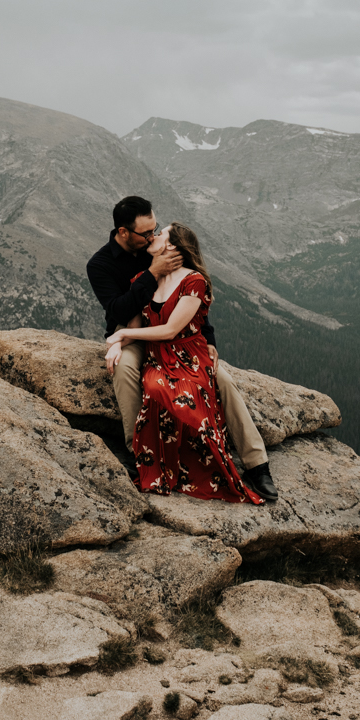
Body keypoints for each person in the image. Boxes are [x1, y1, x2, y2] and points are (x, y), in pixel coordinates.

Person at [86, 196, 278, 500]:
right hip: (134, 331)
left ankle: (256, 464)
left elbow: (191, 299)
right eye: (145, 234)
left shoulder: (162, 253)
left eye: (156, 230)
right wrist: (151, 276)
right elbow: (120, 310)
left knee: (222, 380)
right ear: (123, 232)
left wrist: (209, 341)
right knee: (124, 371)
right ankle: (140, 454)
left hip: (178, 337)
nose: (152, 237)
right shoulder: (101, 264)